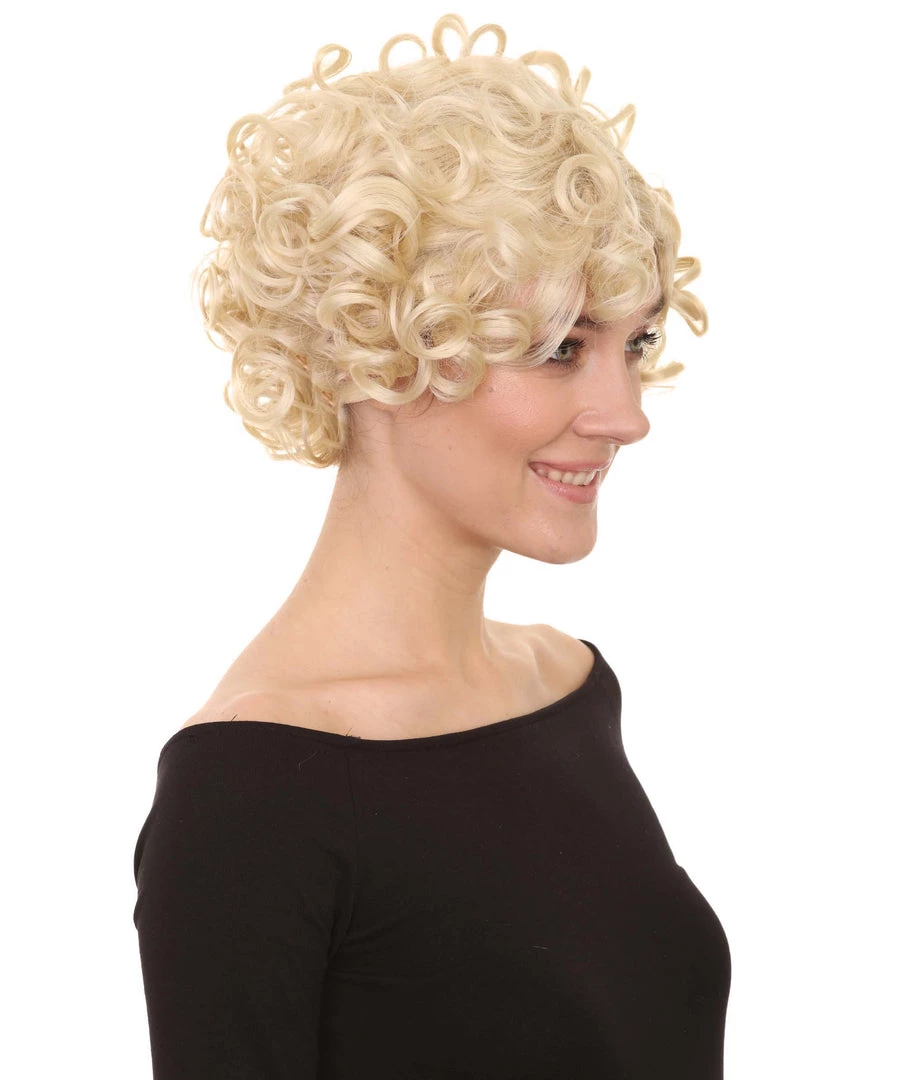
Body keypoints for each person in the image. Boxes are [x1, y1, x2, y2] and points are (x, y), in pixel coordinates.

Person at [132, 12, 731, 1078]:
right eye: (558, 348)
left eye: (634, 341)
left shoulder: (568, 686)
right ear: (378, 346)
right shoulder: (252, 799)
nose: (627, 413)